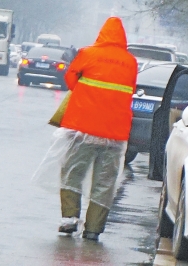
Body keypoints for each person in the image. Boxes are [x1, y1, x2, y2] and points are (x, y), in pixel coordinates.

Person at [57, 17, 138, 241]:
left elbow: (70, 79)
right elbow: (130, 89)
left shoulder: (87, 54)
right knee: (104, 182)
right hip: (114, 133)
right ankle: (93, 229)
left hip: (83, 128)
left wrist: (86, 95)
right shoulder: (130, 62)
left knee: (73, 172)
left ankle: (70, 218)